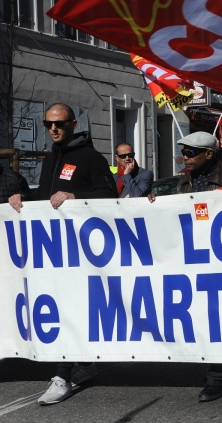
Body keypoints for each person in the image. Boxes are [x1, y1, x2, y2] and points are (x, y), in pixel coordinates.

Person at [8, 102, 118, 406]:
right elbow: (45, 197)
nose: (52, 129)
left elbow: (110, 195)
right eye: (47, 125)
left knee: (67, 308)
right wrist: (23, 197)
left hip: (82, 250)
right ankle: (83, 365)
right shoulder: (49, 159)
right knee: (65, 307)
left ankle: (62, 375)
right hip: (54, 250)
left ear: (72, 125)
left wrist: (74, 196)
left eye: (58, 124)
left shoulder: (90, 157)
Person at [148, 131, 222, 402]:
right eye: (184, 151)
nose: (185, 156)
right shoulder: (184, 181)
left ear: (209, 154)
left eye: (192, 152)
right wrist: (154, 202)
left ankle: (217, 377)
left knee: (218, 316)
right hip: (193, 258)